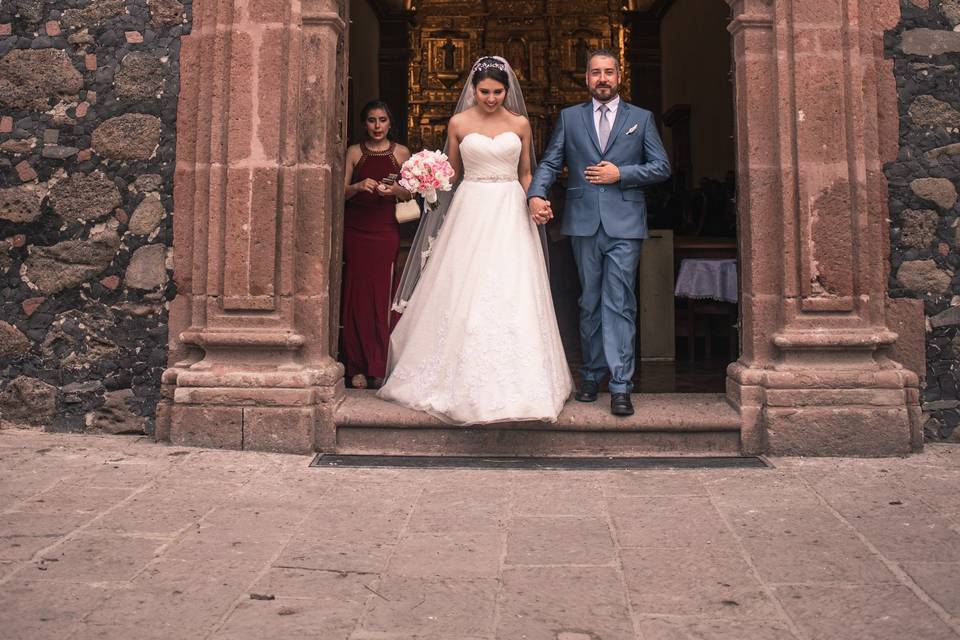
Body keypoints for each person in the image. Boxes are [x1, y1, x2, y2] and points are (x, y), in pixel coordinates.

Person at [378, 57, 572, 424]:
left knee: (512, 288)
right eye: (484, 91)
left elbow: (526, 172)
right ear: (473, 88)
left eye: (498, 92)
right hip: (471, 207)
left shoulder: (520, 124)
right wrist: (424, 178)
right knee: (467, 286)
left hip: (510, 208)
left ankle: (526, 383)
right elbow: (450, 171)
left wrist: (536, 200)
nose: (491, 98)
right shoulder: (458, 123)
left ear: (507, 89)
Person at [527, 49, 671, 416]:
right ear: (587, 78)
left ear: (619, 76)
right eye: (595, 73)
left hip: (625, 223)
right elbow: (550, 161)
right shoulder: (570, 118)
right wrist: (536, 193)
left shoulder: (641, 118)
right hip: (583, 222)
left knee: (619, 302)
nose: (602, 79)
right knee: (589, 301)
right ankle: (591, 376)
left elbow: (661, 167)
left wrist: (621, 173)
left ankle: (621, 385)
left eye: (609, 72)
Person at [341, 100, 412, 389]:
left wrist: (395, 190)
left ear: (390, 122)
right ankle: (356, 366)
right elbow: (340, 192)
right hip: (357, 229)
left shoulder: (402, 153)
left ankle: (379, 363)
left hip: (385, 230)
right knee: (355, 293)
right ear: (364, 123)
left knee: (383, 295)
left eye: (382, 120)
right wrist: (358, 186)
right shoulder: (354, 152)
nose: (377, 126)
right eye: (372, 120)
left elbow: (412, 193)